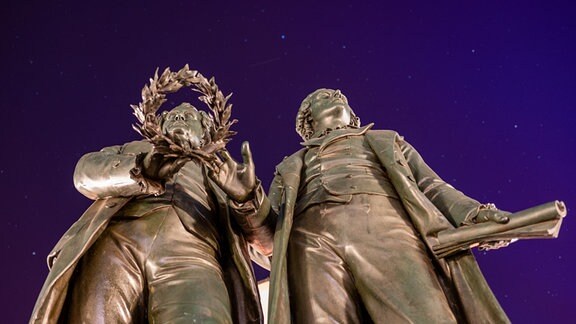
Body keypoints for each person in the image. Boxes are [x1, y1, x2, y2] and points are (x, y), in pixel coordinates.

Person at [259, 89, 513, 323]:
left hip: (385, 227)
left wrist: (474, 213)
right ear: (308, 118)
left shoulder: (386, 140)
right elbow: (269, 235)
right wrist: (246, 198)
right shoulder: (289, 167)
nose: (336, 94)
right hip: (310, 244)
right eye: (324, 96)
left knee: (424, 314)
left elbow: (432, 185)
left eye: (339, 95)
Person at [30, 103, 271, 324]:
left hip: (193, 256)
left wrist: (247, 198)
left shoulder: (224, 173)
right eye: (173, 116)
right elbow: (84, 174)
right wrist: (139, 168)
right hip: (117, 245)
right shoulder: (132, 150)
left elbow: (273, 251)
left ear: (206, 131)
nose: (179, 117)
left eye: (189, 117)